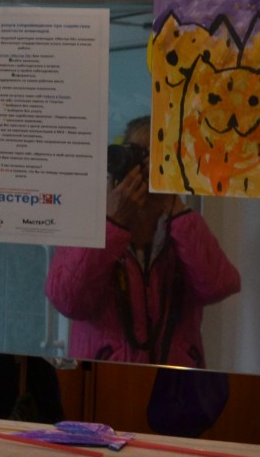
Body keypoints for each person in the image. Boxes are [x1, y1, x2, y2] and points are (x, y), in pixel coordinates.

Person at [44, 117, 241, 369]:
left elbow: (218, 286)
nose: (145, 169)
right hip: (104, 381)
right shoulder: (90, 226)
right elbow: (67, 300)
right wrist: (113, 223)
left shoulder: (183, 228)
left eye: (155, 159)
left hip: (173, 381)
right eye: (138, 155)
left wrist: (174, 206)